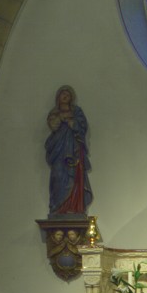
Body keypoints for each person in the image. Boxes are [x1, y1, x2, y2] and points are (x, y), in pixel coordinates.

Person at [44, 85, 91, 215]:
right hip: (59, 150)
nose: (65, 96)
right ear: (58, 97)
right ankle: (57, 208)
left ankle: (74, 207)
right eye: (63, 94)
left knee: (74, 177)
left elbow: (82, 126)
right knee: (58, 175)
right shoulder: (54, 112)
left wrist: (72, 123)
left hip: (74, 150)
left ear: (72, 98)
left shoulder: (77, 111)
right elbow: (53, 125)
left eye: (68, 94)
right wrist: (60, 118)